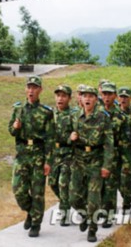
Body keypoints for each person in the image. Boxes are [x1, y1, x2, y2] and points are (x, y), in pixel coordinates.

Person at [8, 75, 55, 237]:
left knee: (37, 192)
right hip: (22, 154)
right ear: (25, 89)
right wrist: (15, 127)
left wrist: (48, 161)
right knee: (18, 190)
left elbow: (50, 138)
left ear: (40, 90)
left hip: (38, 155)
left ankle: (36, 223)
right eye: (29, 87)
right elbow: (11, 131)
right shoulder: (18, 109)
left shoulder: (46, 112)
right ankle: (30, 211)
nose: (31, 90)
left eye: (35, 87)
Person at [69, 86, 114, 243]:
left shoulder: (103, 117)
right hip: (78, 160)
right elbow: (64, 137)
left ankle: (92, 229)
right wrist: (71, 137)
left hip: (95, 160)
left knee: (94, 199)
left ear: (96, 99)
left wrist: (106, 165)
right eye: (84, 96)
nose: (87, 99)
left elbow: (109, 144)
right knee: (73, 197)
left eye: (91, 96)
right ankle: (84, 214)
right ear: (80, 98)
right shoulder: (74, 115)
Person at [48, 84, 77, 226]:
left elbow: (78, 133)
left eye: (63, 96)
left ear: (69, 98)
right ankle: (66, 201)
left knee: (63, 183)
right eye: (58, 95)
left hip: (68, 154)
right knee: (52, 182)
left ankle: (64, 213)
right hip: (54, 154)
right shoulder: (50, 114)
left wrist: (72, 137)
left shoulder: (73, 115)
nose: (60, 98)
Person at [99, 82, 127, 228]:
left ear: (115, 95)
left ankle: (109, 215)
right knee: (99, 186)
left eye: (109, 94)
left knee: (110, 186)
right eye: (104, 94)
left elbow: (125, 141)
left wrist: (126, 162)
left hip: (115, 156)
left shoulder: (121, 116)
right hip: (97, 156)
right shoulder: (96, 113)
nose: (106, 97)